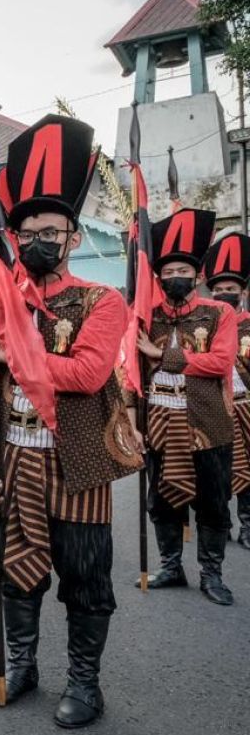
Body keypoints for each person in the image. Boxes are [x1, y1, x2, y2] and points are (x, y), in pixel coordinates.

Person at [0, 115, 141, 728]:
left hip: (80, 465)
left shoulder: (102, 301)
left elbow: (89, 374)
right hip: (12, 455)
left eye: (53, 230)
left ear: (71, 238)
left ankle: (85, 683)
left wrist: (12, 353)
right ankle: (21, 665)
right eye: (29, 231)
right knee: (14, 569)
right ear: (13, 238)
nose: (40, 239)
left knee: (86, 575)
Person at [136, 208, 236, 604]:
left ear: (196, 275)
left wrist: (164, 357)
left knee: (212, 502)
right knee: (161, 501)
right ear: (158, 277)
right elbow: (132, 370)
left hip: (209, 424)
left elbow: (220, 362)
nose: (175, 276)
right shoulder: (148, 316)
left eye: (183, 269)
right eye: (168, 270)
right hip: (160, 424)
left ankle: (211, 574)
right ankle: (171, 565)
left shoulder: (219, 313)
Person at [207, 233, 250, 552]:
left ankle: (248, 525)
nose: (224, 295)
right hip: (214, 407)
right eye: (219, 290)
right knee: (218, 470)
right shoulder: (203, 325)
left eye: (230, 290)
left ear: (243, 292)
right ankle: (218, 527)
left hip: (246, 404)